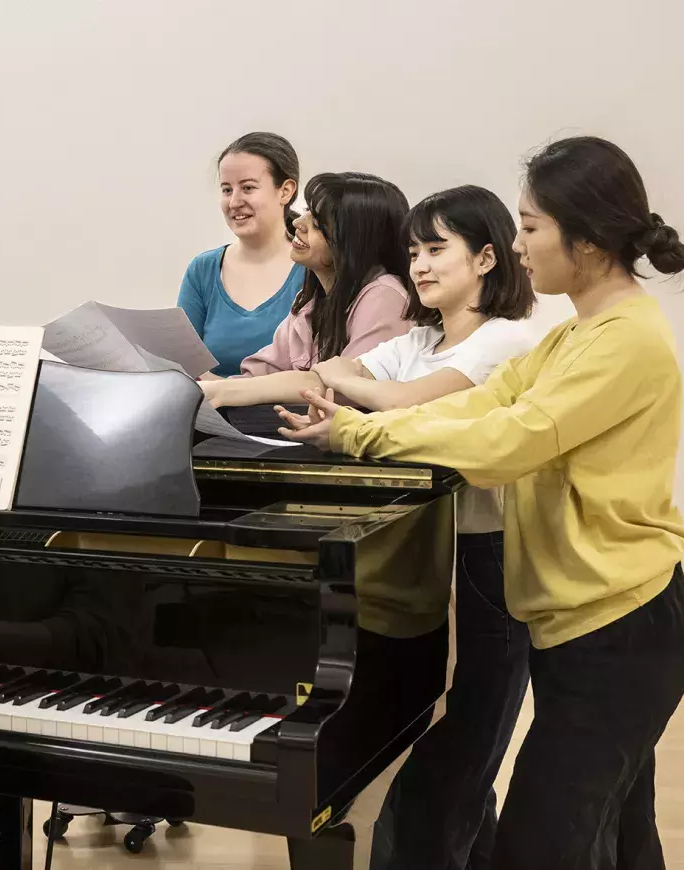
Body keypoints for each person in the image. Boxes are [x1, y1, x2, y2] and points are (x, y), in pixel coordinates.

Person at [276, 136, 684, 870]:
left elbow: (509, 440)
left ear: (586, 237)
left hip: (620, 628)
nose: (520, 244)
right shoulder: (573, 334)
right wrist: (359, 430)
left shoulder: (626, 341)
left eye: (531, 227)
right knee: (616, 838)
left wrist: (360, 437)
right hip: (580, 626)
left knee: (542, 843)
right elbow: (484, 406)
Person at [278, 184, 536, 869]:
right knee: (455, 770)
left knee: (459, 757)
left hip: (482, 560)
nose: (419, 265)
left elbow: (405, 405)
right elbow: (322, 376)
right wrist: (210, 392)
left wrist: (348, 397)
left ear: (486, 258)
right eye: (414, 250)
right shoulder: (419, 338)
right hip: (411, 561)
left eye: (436, 250)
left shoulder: (508, 340)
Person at [199, 172, 414, 408]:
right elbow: (262, 371)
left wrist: (228, 390)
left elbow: (349, 388)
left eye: (318, 225)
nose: (297, 223)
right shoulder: (310, 301)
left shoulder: (385, 297)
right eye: (306, 213)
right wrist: (214, 386)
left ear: (352, 243)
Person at [178, 132, 305, 376]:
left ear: (285, 191)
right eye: (227, 190)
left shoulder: (314, 269)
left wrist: (225, 388)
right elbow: (184, 364)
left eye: (247, 188)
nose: (234, 201)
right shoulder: (203, 269)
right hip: (207, 411)